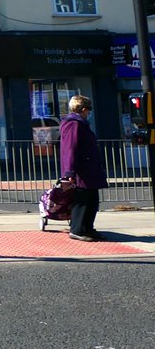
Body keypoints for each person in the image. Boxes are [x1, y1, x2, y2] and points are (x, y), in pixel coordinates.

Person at [59, 95, 108, 241]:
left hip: (87, 168)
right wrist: (69, 172)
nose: (89, 114)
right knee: (82, 200)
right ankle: (78, 229)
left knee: (92, 200)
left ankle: (87, 228)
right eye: (88, 110)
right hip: (82, 170)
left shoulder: (79, 124)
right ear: (84, 109)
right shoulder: (74, 124)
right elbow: (71, 149)